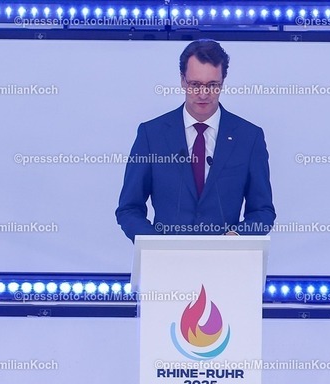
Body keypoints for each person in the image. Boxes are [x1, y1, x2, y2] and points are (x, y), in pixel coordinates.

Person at [115, 39, 276, 242]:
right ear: (182, 80)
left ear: (223, 81)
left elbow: (262, 211)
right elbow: (129, 209)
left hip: (226, 259)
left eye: (212, 85)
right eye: (195, 84)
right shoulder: (152, 135)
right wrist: (157, 246)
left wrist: (235, 239)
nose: (203, 93)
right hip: (166, 259)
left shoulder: (249, 137)